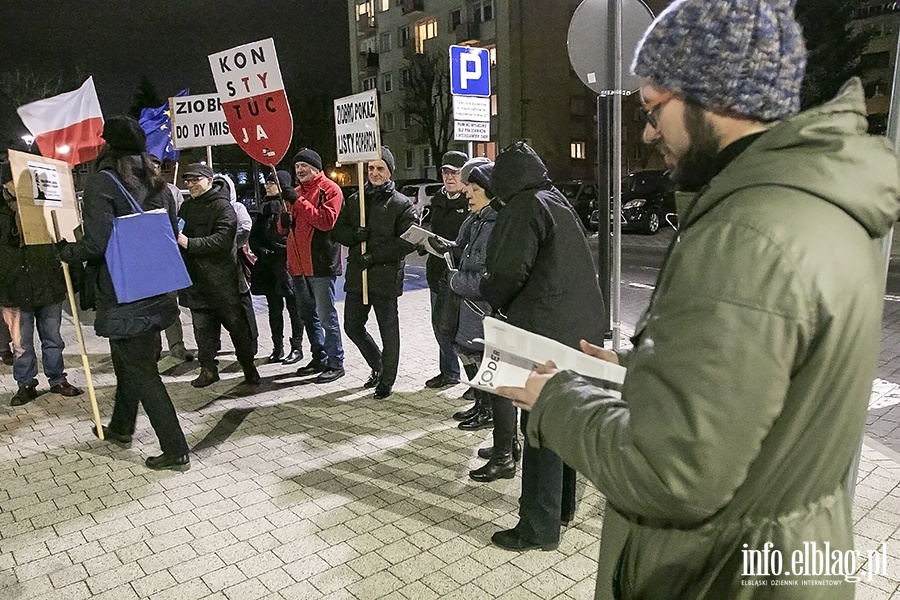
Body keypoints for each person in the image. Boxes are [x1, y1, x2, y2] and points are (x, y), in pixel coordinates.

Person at [500, 1, 900, 598]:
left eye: (655, 107)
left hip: (717, 575)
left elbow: (671, 473)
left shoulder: (748, 233)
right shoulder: (813, 201)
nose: (647, 131)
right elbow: (760, 390)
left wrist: (556, 399)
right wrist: (644, 375)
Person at [481, 141, 606, 552]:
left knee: (537, 425)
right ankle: (562, 508)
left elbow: (506, 272)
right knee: (562, 418)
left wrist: (487, 292)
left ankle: (537, 526)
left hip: (543, 330)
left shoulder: (522, 206)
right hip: (578, 330)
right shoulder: (555, 200)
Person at [58, 116, 190, 471]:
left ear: (108, 145)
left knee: (143, 371)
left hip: (125, 293)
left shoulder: (105, 181)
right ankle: (120, 428)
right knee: (127, 365)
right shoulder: (160, 182)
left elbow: (98, 243)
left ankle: (176, 449)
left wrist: (65, 251)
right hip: (157, 289)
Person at [440, 157, 521, 482]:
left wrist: (456, 280)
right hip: (479, 319)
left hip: (488, 318)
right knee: (492, 384)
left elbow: (487, 280)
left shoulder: (494, 226)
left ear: (489, 191)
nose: (467, 193)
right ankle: (507, 447)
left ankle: (505, 455)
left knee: (499, 387)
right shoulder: (479, 221)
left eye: (473, 188)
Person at [332, 147, 417, 399]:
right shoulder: (356, 200)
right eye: (370, 168)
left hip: (385, 276)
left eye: (380, 168)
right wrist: (354, 236)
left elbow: (407, 241)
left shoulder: (401, 204)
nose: (374, 173)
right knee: (352, 325)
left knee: (388, 329)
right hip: (359, 275)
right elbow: (338, 232)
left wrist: (375, 255)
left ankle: (387, 380)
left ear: (390, 171)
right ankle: (378, 365)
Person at [0, 161, 83, 406]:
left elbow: (65, 239)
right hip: (13, 288)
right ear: (5, 183)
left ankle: (57, 379)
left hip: (47, 282)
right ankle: (25, 384)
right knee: (21, 344)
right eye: (13, 180)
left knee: (53, 338)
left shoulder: (46, 206)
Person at [177, 163, 260, 388]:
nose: (191, 184)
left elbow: (222, 240)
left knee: (237, 329)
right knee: (203, 332)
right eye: (188, 181)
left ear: (209, 181)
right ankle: (208, 370)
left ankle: (249, 368)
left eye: (196, 179)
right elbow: (177, 231)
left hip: (224, 283)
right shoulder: (187, 207)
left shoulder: (223, 207)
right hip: (197, 283)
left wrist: (189, 243)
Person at [278, 148, 346, 383]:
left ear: (316, 168)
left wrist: (298, 201)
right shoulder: (294, 193)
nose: (300, 170)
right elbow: (284, 229)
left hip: (320, 264)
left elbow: (325, 221)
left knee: (327, 317)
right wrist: (282, 221)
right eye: (297, 167)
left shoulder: (330, 190)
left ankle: (336, 362)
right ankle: (319, 357)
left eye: (304, 166)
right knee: (308, 316)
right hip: (297, 266)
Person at [423, 150, 469, 390]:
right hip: (437, 271)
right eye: (445, 172)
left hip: (461, 276)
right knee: (440, 325)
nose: (449, 177)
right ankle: (449, 371)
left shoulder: (472, 203)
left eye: (455, 173)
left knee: (463, 330)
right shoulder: (438, 200)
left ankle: (476, 384)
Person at [250, 170, 306, 364]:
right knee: (274, 309)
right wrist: (261, 251)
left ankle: (297, 347)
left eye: (272, 182)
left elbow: (292, 236)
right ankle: (277, 347)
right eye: (266, 182)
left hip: (286, 266)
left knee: (294, 308)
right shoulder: (263, 208)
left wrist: (280, 250)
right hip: (267, 267)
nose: (267, 185)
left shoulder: (288, 206)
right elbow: (254, 237)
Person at [148, 153, 192, 363]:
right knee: (149, 306)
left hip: (167, 255)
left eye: (157, 165)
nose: (154, 169)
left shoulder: (172, 191)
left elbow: (181, 218)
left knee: (170, 304)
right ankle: (153, 348)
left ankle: (177, 346)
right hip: (145, 258)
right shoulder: (132, 190)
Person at [214, 172, 260, 358]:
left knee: (243, 304)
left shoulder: (237, 207)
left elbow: (245, 228)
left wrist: (226, 245)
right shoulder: (209, 208)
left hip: (235, 266)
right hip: (215, 269)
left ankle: (252, 341)